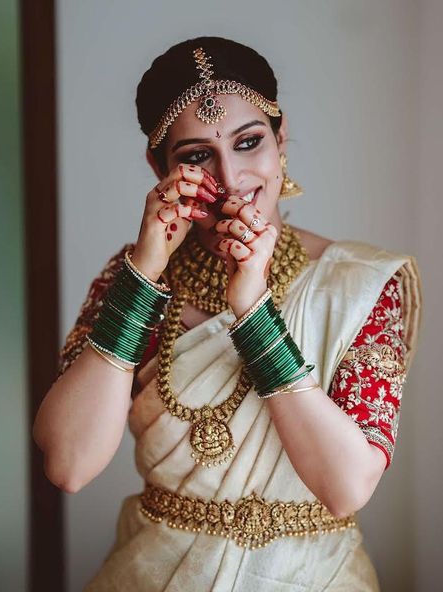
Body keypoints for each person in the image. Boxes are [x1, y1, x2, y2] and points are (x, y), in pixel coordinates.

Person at [33, 36, 423, 591]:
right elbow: (68, 465)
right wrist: (144, 272)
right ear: (158, 165)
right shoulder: (136, 280)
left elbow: (346, 486)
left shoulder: (357, 283)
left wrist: (254, 309)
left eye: (248, 142)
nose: (232, 178)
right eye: (196, 156)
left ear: (281, 137)